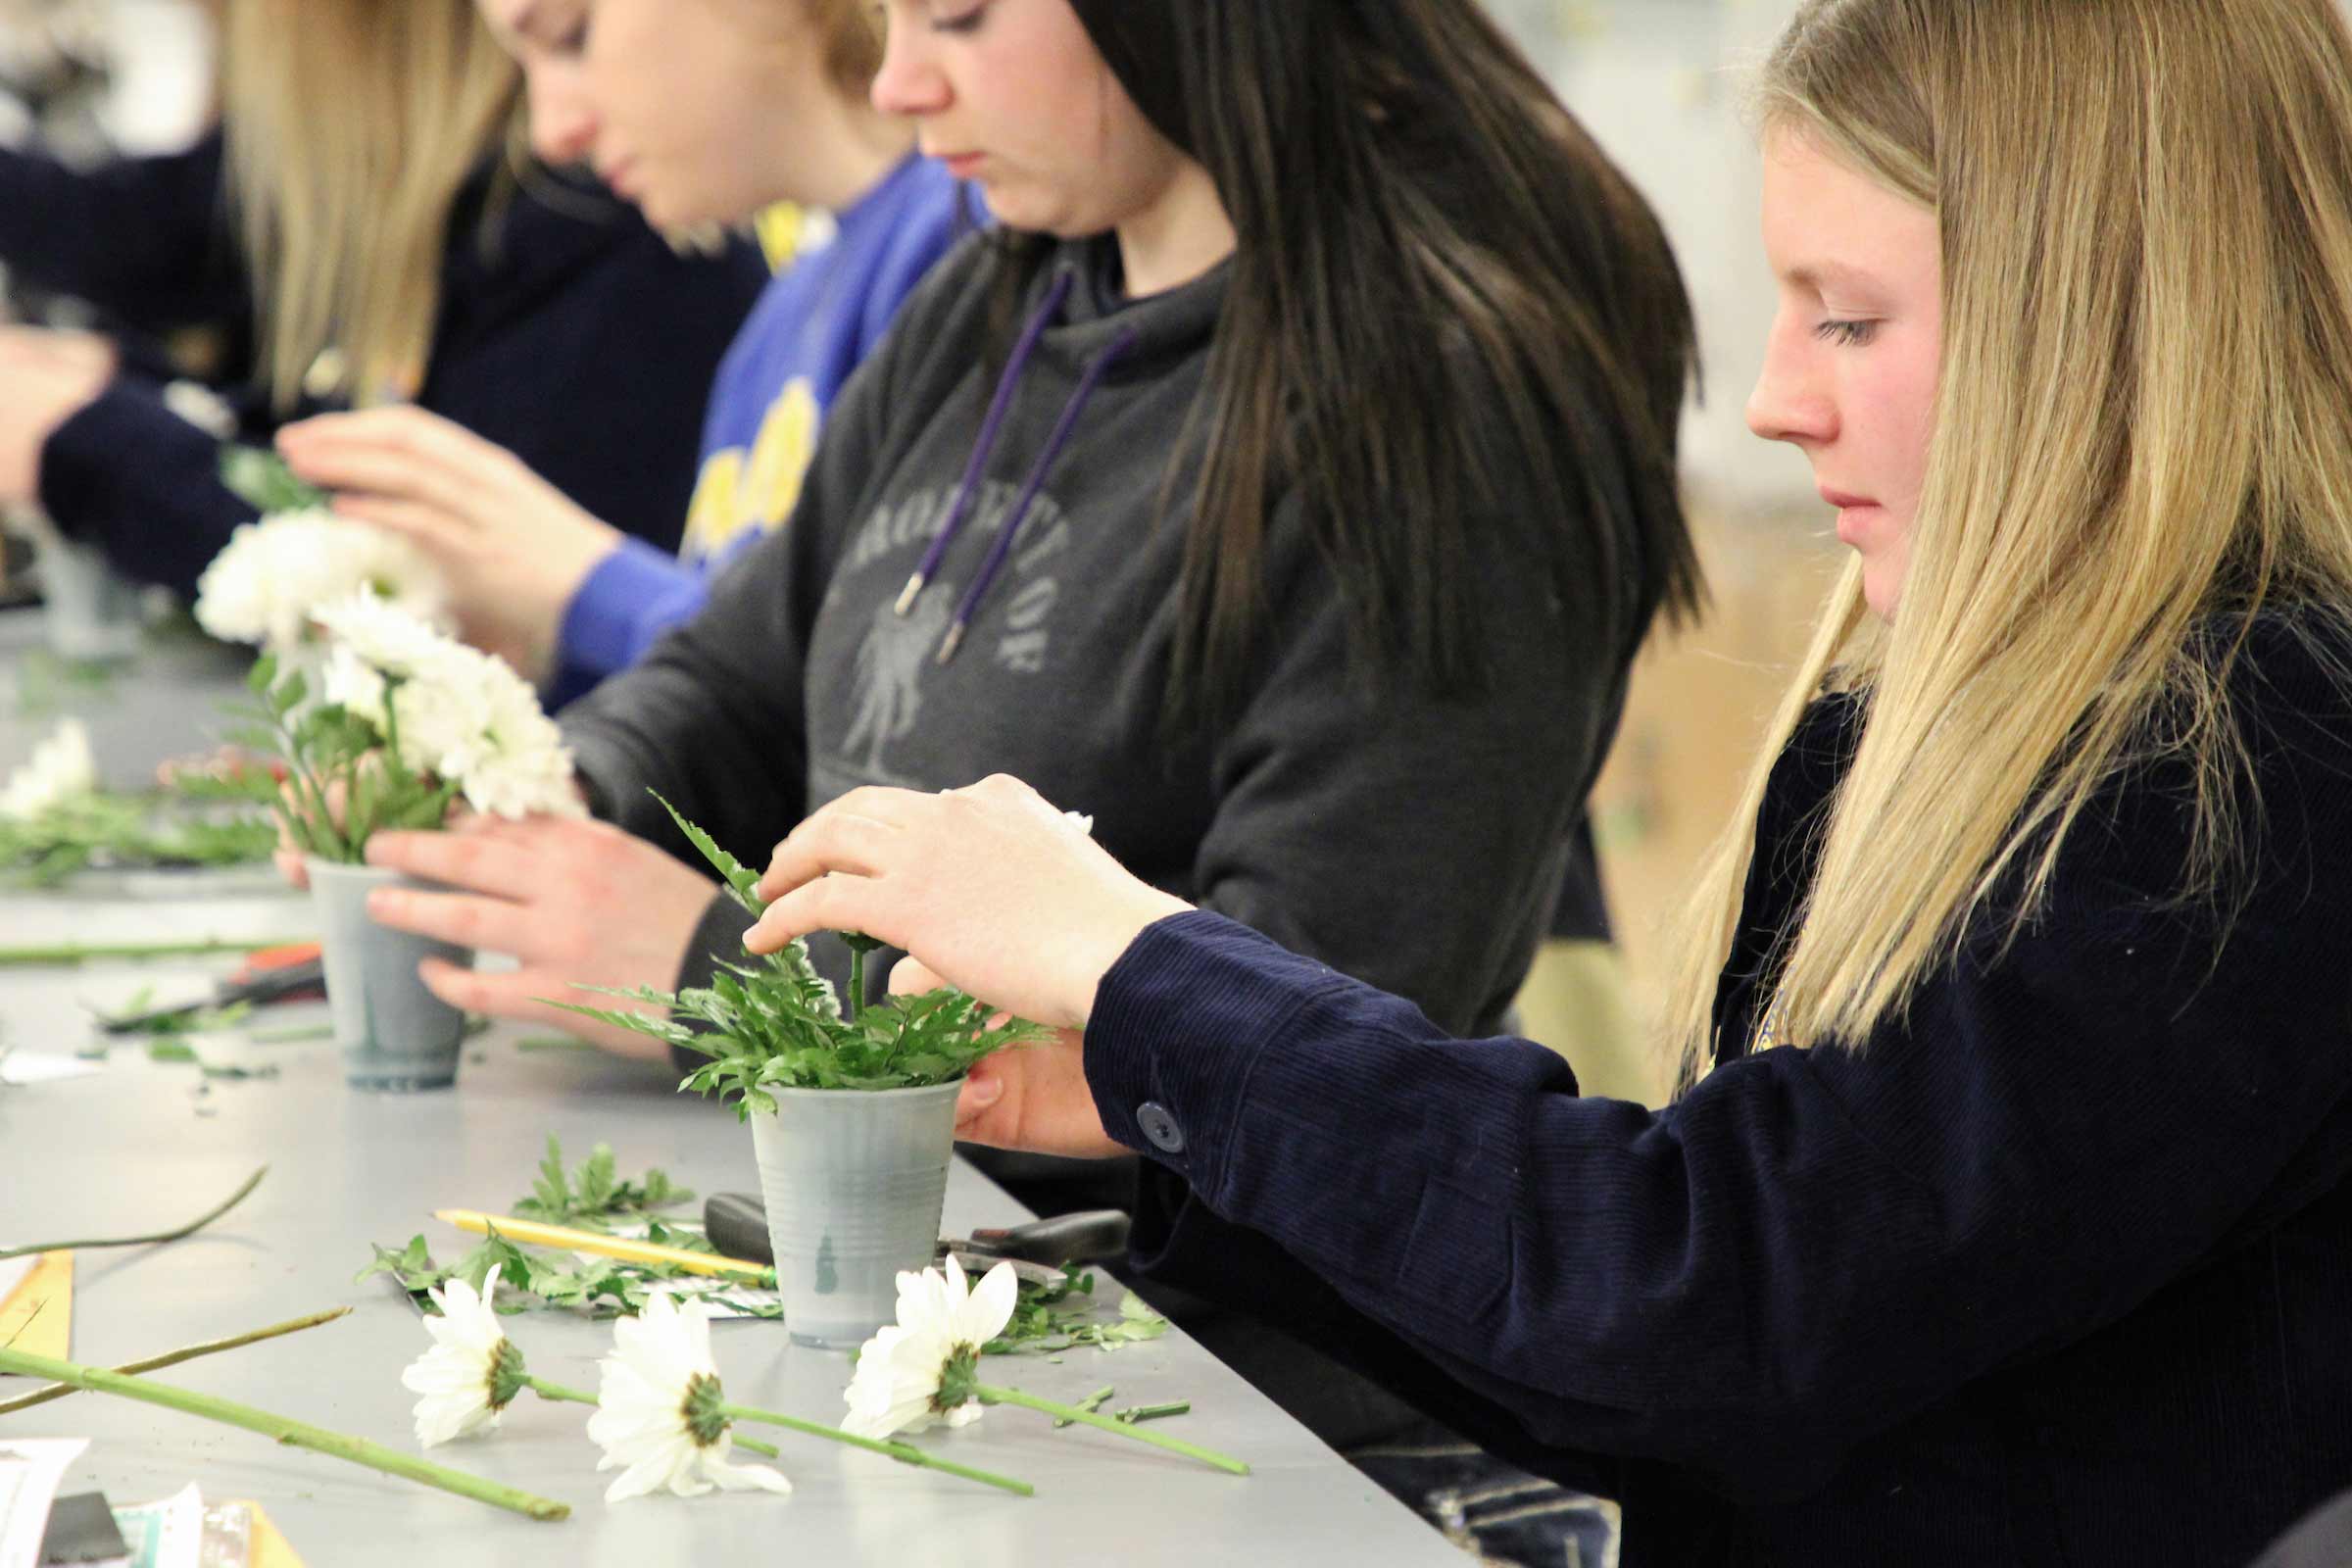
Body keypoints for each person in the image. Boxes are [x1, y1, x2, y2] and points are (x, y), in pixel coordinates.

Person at [740, 0, 2352, 1560]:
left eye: (1849, 317)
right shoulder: (2003, 732)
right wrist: (1181, 1119)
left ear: (2105, 321)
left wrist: (1141, 962)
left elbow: (1705, 1304)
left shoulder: (2246, 765)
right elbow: (1688, 1367)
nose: (1782, 401)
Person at [273, 0, 967, 696]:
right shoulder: (775, 329)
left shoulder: (958, 251)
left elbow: (889, 708)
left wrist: (587, 583)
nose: (554, 133)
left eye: (572, 37)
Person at [0, 0, 764, 603]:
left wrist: (87, 441)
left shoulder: (603, 229)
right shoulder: (456, 212)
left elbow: (431, 613)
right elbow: (302, 450)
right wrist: (123, 389)